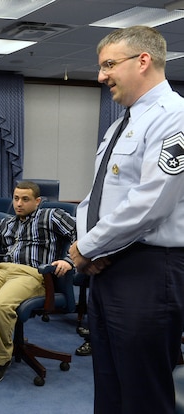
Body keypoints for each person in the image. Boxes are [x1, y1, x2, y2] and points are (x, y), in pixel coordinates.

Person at [68, 26, 184, 413]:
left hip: (149, 271)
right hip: (108, 266)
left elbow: (151, 202)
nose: (102, 76)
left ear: (143, 61)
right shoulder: (121, 124)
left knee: (143, 392)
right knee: (110, 384)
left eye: (109, 65)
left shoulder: (175, 117)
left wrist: (86, 247)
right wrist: (91, 248)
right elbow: (95, 197)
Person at [0, 181, 76, 384]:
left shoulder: (51, 215)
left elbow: (81, 231)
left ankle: (0, 360)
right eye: (16, 198)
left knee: (0, 305)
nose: (19, 203)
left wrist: (68, 260)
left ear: (37, 201)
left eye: (25, 199)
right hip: (3, 270)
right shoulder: (9, 222)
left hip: (32, 274)